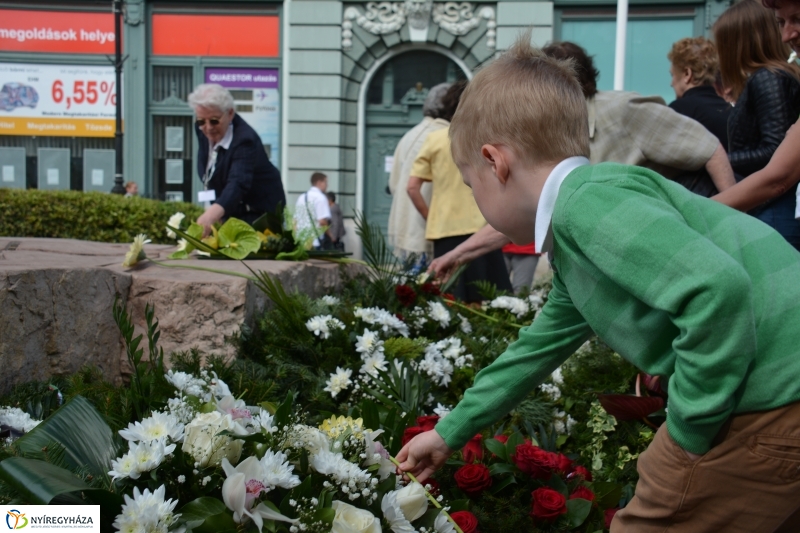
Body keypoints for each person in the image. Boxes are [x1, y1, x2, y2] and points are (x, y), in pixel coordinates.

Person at [396, 35, 800, 532]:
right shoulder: (581, 228)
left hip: (771, 397)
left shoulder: (586, 204)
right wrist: (450, 432)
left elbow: (718, 291)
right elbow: (534, 351)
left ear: (495, 162)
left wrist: (687, 433)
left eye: (468, 182)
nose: (476, 203)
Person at [427, 41, 737, 278]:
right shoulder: (542, 136)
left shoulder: (622, 111)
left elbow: (707, 147)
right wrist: (459, 254)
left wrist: (724, 223)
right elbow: (525, 206)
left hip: (671, 246)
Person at [407, 81, 512, 302]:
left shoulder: (435, 139)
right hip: (483, 226)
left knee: (449, 297)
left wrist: (430, 217)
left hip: (444, 228)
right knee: (486, 299)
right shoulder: (485, 138)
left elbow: (412, 187)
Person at [714, 0, 800, 249]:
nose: (786, 35)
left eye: (797, 19)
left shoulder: (768, 79)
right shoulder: (777, 77)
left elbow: (778, 173)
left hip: (775, 210)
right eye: (781, 23)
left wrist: (717, 161)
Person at [189, 83, 286, 236]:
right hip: (233, 209)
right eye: (201, 121)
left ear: (230, 114)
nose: (207, 128)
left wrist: (212, 215)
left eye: (214, 121)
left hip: (259, 213)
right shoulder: (200, 128)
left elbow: (238, 183)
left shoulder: (245, 140)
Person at [387, 83, 451, 259]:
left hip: (405, 228)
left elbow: (394, 185)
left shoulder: (409, 135)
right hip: (432, 231)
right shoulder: (446, 136)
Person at [667, 37, 732, 197]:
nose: (671, 83)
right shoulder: (730, 111)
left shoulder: (679, 110)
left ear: (687, 74)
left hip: (696, 200)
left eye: (672, 75)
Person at [294, 172, 331, 250]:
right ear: (319, 183)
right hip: (315, 242)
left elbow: (295, 221)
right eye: (325, 182)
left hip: (301, 241)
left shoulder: (302, 197)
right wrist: (331, 236)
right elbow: (322, 222)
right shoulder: (321, 198)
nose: (327, 185)